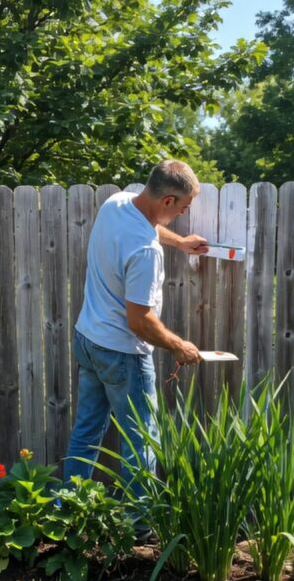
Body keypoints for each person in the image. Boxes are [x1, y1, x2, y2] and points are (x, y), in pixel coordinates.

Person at [62, 159, 207, 501]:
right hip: (122, 354)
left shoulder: (117, 203)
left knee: (86, 432)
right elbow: (139, 320)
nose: (183, 214)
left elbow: (148, 224)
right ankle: (138, 524)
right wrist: (178, 345)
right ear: (168, 201)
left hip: (88, 339)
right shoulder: (145, 253)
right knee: (140, 440)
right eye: (183, 207)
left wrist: (181, 242)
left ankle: (66, 506)